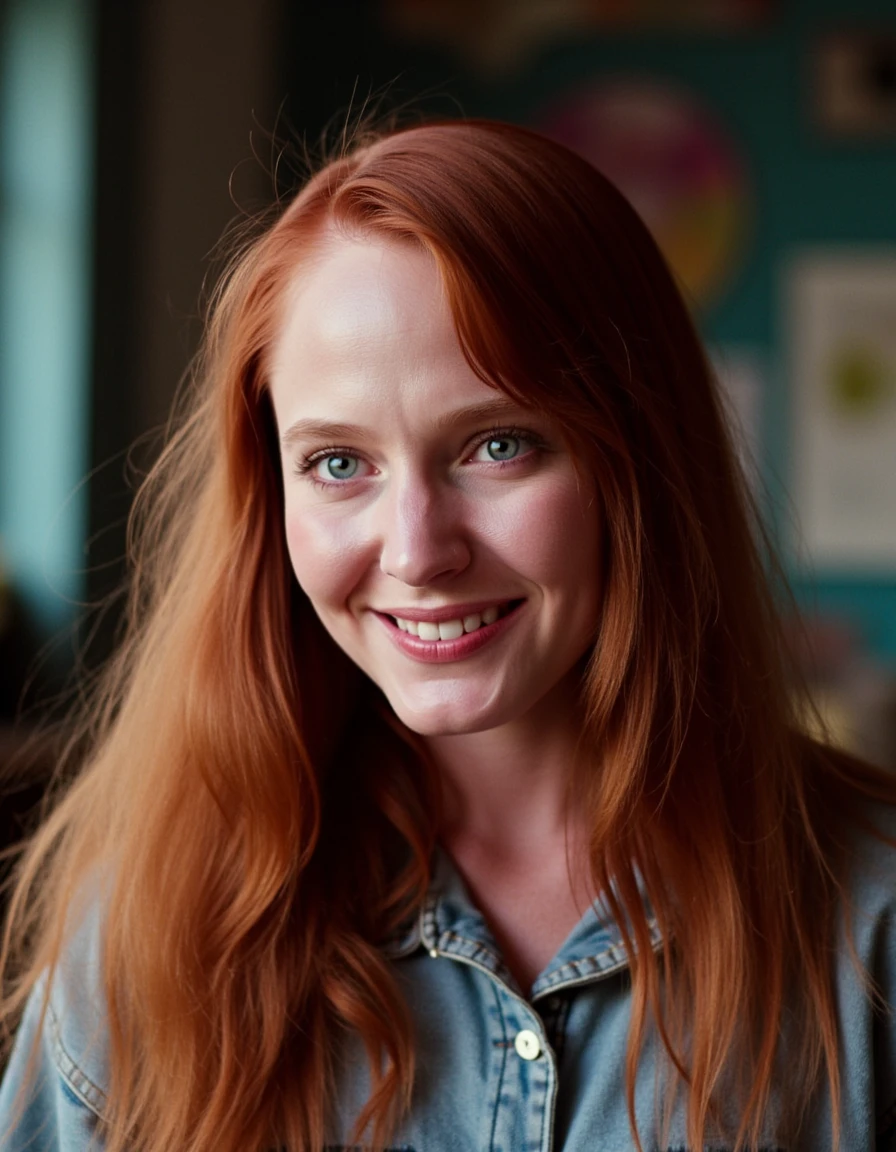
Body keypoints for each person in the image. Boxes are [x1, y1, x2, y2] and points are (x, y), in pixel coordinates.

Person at [1, 118, 895, 1152]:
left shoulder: (867, 925)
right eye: (338, 463)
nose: (416, 550)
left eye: (496, 445)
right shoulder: (149, 934)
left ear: (638, 463)